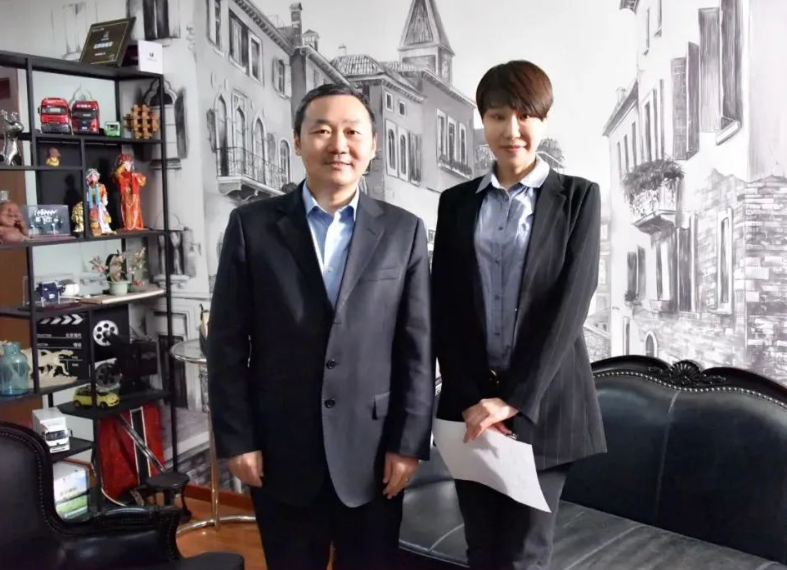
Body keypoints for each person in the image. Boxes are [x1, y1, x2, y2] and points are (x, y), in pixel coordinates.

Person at [208, 83, 434, 570]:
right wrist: (238, 439)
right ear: (297, 141)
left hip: (374, 454)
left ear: (373, 145)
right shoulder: (251, 226)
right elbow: (226, 343)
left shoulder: (404, 230)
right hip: (281, 451)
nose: (339, 145)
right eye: (322, 130)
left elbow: (417, 347)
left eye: (352, 132)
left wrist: (408, 443)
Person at [432, 60, 606, 570]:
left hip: (543, 405)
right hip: (469, 406)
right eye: (497, 116)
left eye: (525, 115)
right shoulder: (456, 203)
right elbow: (446, 305)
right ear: (483, 121)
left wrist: (511, 400)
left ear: (543, 120)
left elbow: (571, 305)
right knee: (481, 550)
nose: (512, 130)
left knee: (523, 557)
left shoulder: (578, 198)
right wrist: (471, 397)